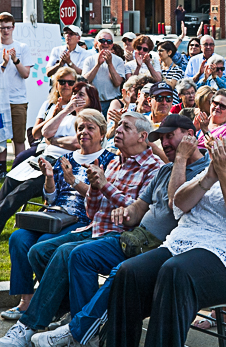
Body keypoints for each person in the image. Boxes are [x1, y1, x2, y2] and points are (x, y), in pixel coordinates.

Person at [104, 122, 226, 347]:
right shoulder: (214, 171)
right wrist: (208, 178)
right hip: (184, 246)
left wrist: (225, 177)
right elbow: (179, 204)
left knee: (176, 272)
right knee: (129, 273)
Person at [31, 116, 211, 346]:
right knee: (77, 255)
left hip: (166, 247)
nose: (165, 143)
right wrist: (126, 212)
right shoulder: (162, 169)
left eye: (169, 136)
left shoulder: (204, 170)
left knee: (118, 271)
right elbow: (137, 208)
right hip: (134, 237)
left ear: (190, 136)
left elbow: (174, 204)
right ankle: (83, 330)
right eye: (162, 138)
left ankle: (75, 331)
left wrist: (182, 158)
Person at [0, 111, 164, 347]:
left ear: (142, 136)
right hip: (94, 227)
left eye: (125, 127)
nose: (117, 131)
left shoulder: (153, 168)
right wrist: (95, 188)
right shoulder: (117, 161)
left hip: (122, 236)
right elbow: (93, 210)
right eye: (118, 126)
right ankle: (75, 320)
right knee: (38, 251)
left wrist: (102, 185)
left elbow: (135, 212)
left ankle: (31, 325)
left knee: (70, 253)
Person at [1, 109, 117, 321]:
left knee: (44, 243)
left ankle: (53, 303)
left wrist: (73, 180)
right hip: (55, 215)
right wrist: (50, 178)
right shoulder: (66, 158)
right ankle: (26, 301)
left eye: (90, 128)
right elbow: (51, 199)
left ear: (102, 133)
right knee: (18, 238)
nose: (84, 132)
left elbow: (101, 199)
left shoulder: (110, 160)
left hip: (83, 219)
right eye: (80, 128)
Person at [0, 81, 101, 234]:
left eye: (81, 95)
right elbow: (45, 132)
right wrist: (66, 110)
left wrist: (54, 140)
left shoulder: (90, 120)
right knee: (10, 181)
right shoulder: (67, 116)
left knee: (21, 191)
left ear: (90, 100)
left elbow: (76, 143)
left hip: (58, 167)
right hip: (41, 159)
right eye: (74, 93)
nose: (75, 97)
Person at [0, 12, 33, 173]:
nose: (5, 31)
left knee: (18, 138)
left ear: (13, 28)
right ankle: (2, 170)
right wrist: (4, 64)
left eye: (8, 28)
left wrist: (15, 60)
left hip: (17, 99)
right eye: (2, 28)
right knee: (0, 138)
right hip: (1, 100)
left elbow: (25, 74)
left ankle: (19, 170)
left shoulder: (21, 48)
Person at [81, 29, 126, 116]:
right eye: (102, 41)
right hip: (93, 102)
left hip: (112, 102)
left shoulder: (118, 60)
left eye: (109, 41)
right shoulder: (89, 60)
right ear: (97, 43)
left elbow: (117, 83)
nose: (105, 44)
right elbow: (84, 81)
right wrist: (97, 65)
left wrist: (110, 64)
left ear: (112, 45)